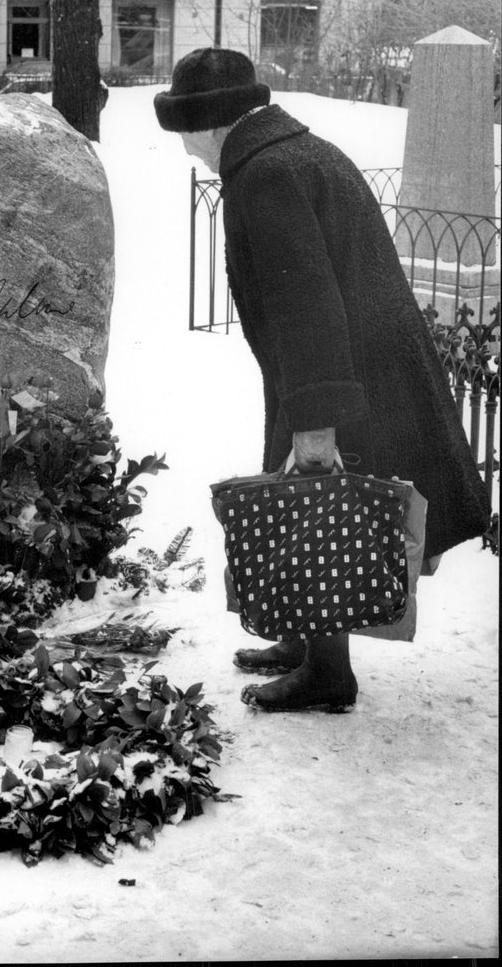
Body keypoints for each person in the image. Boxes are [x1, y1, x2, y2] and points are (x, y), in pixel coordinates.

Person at [153, 48, 490, 713]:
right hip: (349, 364)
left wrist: (314, 418)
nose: (189, 152)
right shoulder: (295, 152)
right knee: (304, 504)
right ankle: (306, 641)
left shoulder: (267, 175)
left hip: (339, 370)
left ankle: (328, 673)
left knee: (319, 510)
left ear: (214, 124)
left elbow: (307, 303)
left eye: (187, 134)